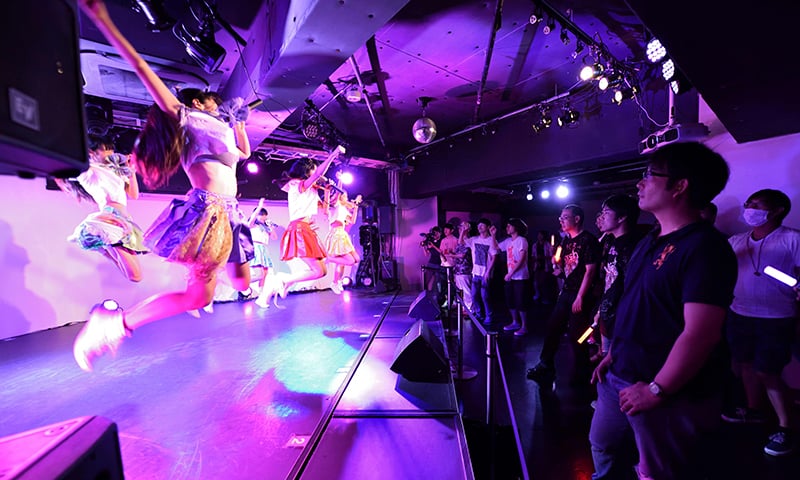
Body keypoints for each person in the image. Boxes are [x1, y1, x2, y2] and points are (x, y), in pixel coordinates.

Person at [72, 0, 254, 371]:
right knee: (199, 298)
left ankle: (134, 316)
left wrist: (238, 122)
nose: (219, 107)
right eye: (214, 103)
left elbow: (244, 153)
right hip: (209, 211)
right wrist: (105, 20)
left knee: (240, 282)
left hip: (232, 213)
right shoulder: (184, 116)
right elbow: (141, 68)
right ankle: (115, 325)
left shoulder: (221, 127)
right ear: (198, 101)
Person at [589, 142, 736, 479]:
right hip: (620, 374)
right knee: (603, 446)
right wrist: (614, 354)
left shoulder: (705, 248)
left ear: (680, 185)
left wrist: (658, 388)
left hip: (664, 388)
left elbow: (700, 332)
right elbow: (638, 303)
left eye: (649, 175)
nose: (640, 183)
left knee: (658, 469)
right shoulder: (649, 240)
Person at [722, 189, 800, 456]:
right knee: (744, 364)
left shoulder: (792, 239)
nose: (748, 208)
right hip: (739, 312)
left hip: (776, 317)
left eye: (755, 204)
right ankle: (754, 411)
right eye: (747, 203)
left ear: (777, 210)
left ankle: (786, 426)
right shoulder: (736, 241)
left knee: (768, 370)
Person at [255, 148, 342, 307]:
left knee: (322, 271)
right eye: (315, 171)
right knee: (317, 271)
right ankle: (281, 280)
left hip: (307, 229)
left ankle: (283, 282)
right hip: (300, 229)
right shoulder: (298, 186)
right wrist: (333, 155)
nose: (318, 175)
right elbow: (316, 176)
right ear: (308, 172)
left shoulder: (310, 190)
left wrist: (328, 191)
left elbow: (325, 211)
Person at [56, 136, 147, 282]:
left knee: (136, 276)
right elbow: (75, 165)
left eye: (111, 149)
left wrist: (131, 171)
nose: (111, 153)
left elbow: (133, 195)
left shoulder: (114, 171)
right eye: (106, 149)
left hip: (124, 220)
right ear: (92, 153)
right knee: (136, 276)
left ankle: (102, 248)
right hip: (110, 220)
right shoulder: (89, 172)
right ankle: (103, 245)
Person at [527, 204, 600, 383]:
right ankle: (546, 364)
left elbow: (590, 271)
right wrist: (557, 264)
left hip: (580, 294)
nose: (561, 220)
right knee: (553, 328)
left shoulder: (588, 240)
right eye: (560, 217)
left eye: (565, 217)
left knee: (578, 335)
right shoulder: (566, 240)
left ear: (577, 219)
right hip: (566, 291)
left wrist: (580, 296)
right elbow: (566, 268)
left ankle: (583, 371)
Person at [591, 194, 642, 362]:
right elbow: (611, 281)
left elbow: (631, 287)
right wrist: (601, 310)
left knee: (618, 362)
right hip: (609, 312)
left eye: (606, 212)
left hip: (622, 319)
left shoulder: (632, 246)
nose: (601, 217)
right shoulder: (613, 242)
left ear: (622, 217)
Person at [491, 218, 531, 335]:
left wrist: (510, 273)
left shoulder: (522, 240)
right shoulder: (508, 241)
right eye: (507, 226)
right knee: (510, 300)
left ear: (516, 227)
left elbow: (522, 259)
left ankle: (524, 326)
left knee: (521, 301)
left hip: (520, 277)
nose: (507, 228)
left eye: (509, 226)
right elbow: (496, 248)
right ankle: (515, 322)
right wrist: (493, 235)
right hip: (511, 277)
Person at [324, 190, 362, 294]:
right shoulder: (336, 206)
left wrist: (356, 207)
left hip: (342, 235)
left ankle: (336, 281)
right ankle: (335, 279)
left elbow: (352, 221)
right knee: (348, 261)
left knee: (356, 259)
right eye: (345, 196)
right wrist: (340, 181)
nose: (347, 198)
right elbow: (336, 194)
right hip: (336, 234)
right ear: (340, 197)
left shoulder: (344, 209)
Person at [464, 219, 497, 323]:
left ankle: (489, 316)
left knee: (485, 296)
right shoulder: (474, 239)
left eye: (482, 225)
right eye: (478, 226)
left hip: (485, 273)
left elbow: (494, 257)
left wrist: (488, 272)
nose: (479, 227)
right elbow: (462, 241)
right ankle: (479, 314)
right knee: (474, 295)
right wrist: (464, 230)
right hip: (475, 272)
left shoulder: (491, 240)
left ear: (487, 227)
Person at [247, 198, 279, 296]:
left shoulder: (265, 227)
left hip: (264, 249)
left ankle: (261, 294)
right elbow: (253, 218)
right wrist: (259, 207)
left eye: (265, 215)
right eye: (262, 215)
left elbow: (274, 237)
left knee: (264, 274)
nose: (263, 217)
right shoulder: (252, 225)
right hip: (256, 248)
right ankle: (242, 285)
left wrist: (271, 228)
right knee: (259, 275)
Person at [531, 230, 555, 304]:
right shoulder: (535, 245)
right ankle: (538, 295)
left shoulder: (548, 245)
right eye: (538, 235)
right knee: (536, 282)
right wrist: (535, 260)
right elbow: (532, 255)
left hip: (545, 266)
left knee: (544, 283)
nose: (539, 236)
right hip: (537, 266)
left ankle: (545, 298)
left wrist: (542, 257)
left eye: (541, 235)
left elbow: (551, 256)